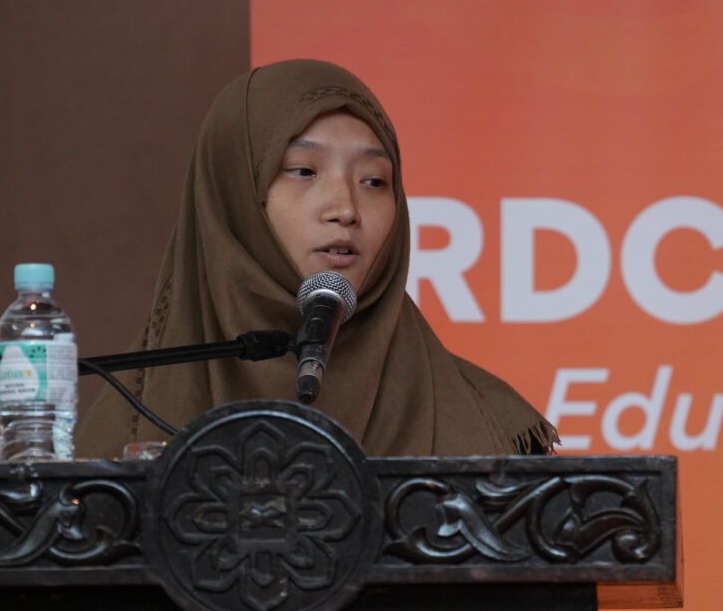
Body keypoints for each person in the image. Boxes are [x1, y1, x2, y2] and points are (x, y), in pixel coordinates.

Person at [77, 59, 555, 458]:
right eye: (304, 171)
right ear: (232, 199)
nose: (345, 209)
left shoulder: (493, 429)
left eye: (374, 181)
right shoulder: (121, 431)